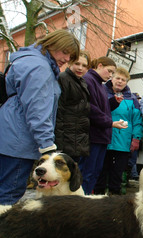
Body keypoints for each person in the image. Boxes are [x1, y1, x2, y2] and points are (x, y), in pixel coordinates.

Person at [0, 29, 80, 205]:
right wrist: (47, 146)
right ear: (51, 44)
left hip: (9, 134)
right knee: (8, 197)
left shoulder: (29, 61)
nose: (67, 60)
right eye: (65, 52)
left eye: (70, 57)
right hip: (19, 140)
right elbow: (38, 109)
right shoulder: (40, 67)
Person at [78, 56, 127, 195]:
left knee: (95, 172)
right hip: (93, 136)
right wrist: (110, 123)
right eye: (109, 71)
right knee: (87, 173)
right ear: (99, 65)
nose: (111, 76)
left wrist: (113, 102)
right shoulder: (89, 80)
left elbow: (101, 108)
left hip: (101, 136)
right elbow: (91, 109)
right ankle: (81, 202)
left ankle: (86, 200)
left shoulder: (98, 83)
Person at [93, 68, 143, 195]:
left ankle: (115, 202)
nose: (120, 82)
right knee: (100, 173)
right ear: (112, 78)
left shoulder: (132, 100)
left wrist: (136, 138)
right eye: (117, 78)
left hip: (123, 143)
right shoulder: (101, 93)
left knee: (117, 175)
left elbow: (137, 121)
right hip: (103, 139)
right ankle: (98, 201)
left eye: (123, 80)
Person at [55, 50, 91, 163]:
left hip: (77, 139)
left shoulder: (82, 83)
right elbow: (59, 111)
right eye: (77, 64)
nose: (80, 68)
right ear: (70, 63)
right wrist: (59, 143)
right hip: (66, 138)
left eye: (84, 65)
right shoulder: (63, 79)